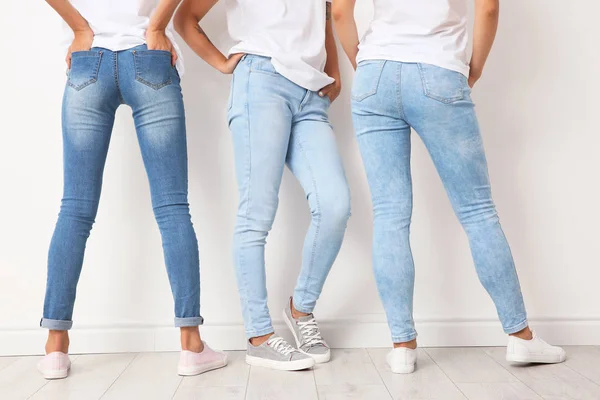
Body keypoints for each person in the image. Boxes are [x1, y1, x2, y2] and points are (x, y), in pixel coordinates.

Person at [332, 0, 566, 373]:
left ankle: (402, 347)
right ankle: (520, 339)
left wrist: (364, 61)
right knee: (477, 212)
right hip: (438, 69)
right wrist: (474, 67)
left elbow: (340, 12)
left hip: (374, 74)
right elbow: (487, 8)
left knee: (390, 214)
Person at [38, 0, 227, 380]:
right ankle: (191, 345)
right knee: (173, 208)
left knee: (74, 208)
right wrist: (156, 25)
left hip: (88, 59)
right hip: (149, 55)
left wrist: (80, 28)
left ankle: (55, 348)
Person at [175, 0, 351, 371]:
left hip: (311, 93)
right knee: (256, 214)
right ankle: (258, 337)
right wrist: (224, 63)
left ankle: (299, 309)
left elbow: (323, 15)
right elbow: (185, 18)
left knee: (335, 204)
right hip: (262, 81)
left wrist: (333, 69)